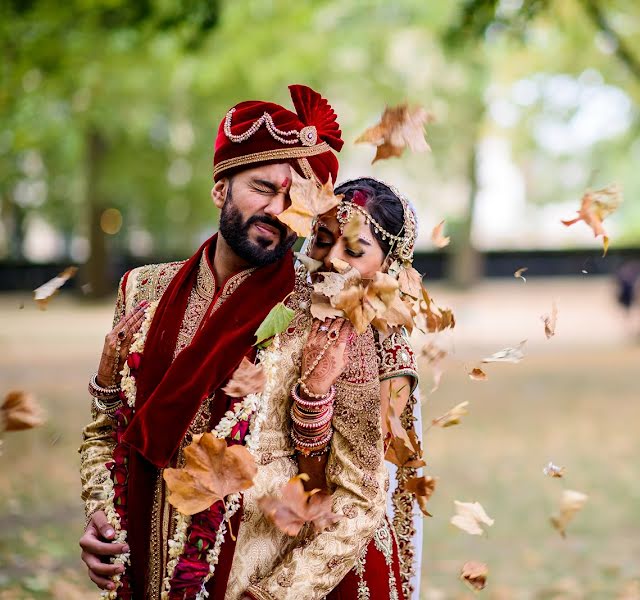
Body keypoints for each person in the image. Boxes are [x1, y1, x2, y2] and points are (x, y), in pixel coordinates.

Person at [79, 85, 389, 600]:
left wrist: (269, 597)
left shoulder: (329, 315)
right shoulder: (142, 289)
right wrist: (98, 514)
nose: (277, 209)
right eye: (262, 188)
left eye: (294, 200)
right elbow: (106, 427)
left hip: (247, 583)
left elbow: (359, 501)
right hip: (138, 576)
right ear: (220, 188)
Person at [300, 177, 423, 600]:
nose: (332, 259)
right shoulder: (283, 309)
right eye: (321, 239)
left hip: (343, 549)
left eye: (353, 250)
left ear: (389, 267)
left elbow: (363, 484)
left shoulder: (388, 346)